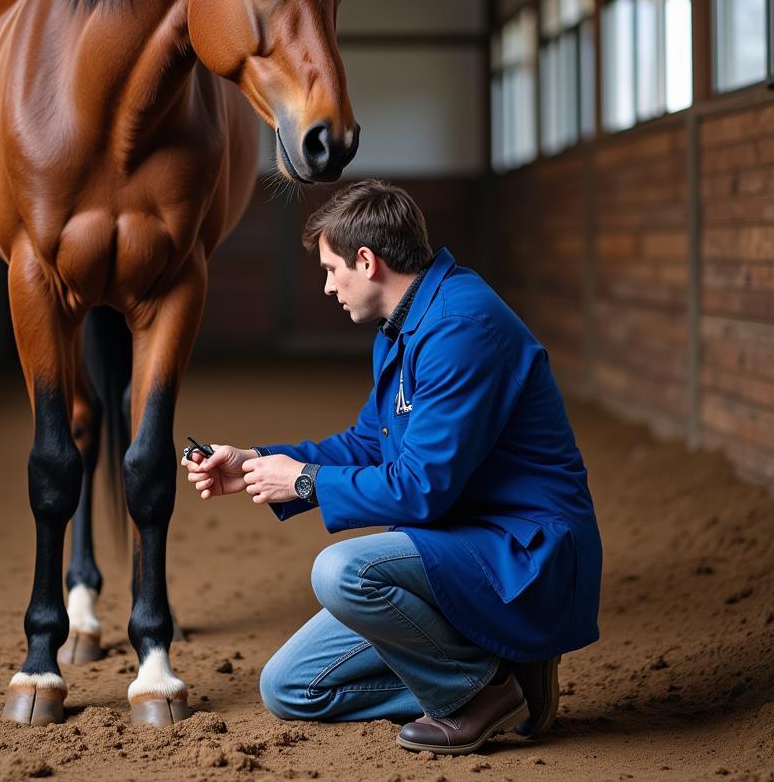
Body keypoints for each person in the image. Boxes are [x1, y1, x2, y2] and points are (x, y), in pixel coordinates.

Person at [182, 179, 602, 756]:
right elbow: (368, 443)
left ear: (366, 260)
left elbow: (420, 489)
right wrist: (258, 461)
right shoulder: (404, 326)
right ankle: (499, 673)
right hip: (462, 542)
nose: (328, 286)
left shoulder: (461, 328)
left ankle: (478, 695)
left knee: (343, 571)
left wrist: (303, 480)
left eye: (332, 269)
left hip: (522, 556)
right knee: (290, 688)